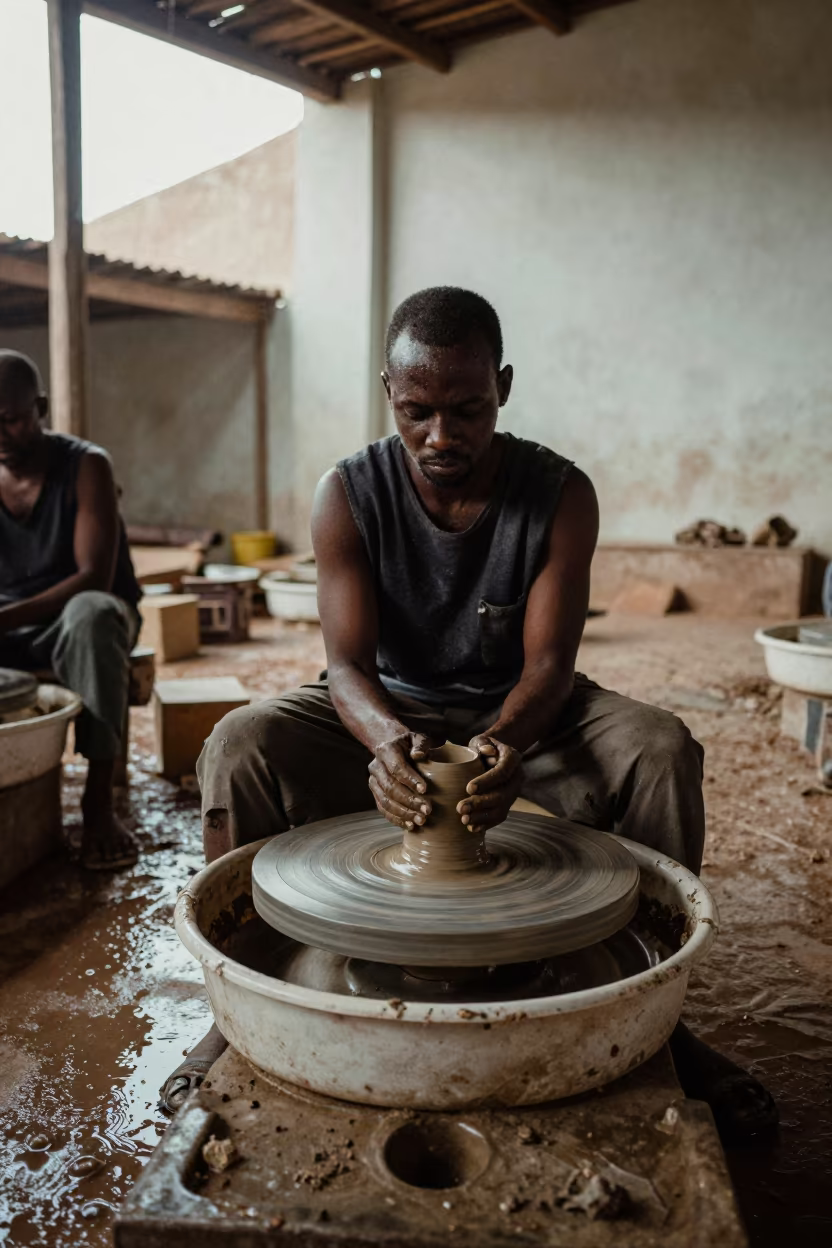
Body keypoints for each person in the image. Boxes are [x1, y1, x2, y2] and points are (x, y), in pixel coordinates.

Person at [160, 288, 776, 1140]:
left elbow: (551, 667)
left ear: (504, 388)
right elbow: (343, 668)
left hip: (525, 713)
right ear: (388, 392)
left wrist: (500, 745)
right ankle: (236, 1011)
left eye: (467, 410)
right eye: (418, 412)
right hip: (394, 707)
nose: (441, 437)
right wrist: (386, 744)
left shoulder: (560, 494)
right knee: (240, 745)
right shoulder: (347, 493)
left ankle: (661, 1019)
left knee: (660, 748)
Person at [0, 350, 141, 870]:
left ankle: (98, 803)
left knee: (93, 615)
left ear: (39, 406)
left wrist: (7, 618)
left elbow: (93, 578)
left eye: (9, 419)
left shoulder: (86, 465)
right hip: (12, 622)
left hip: (79, 617)